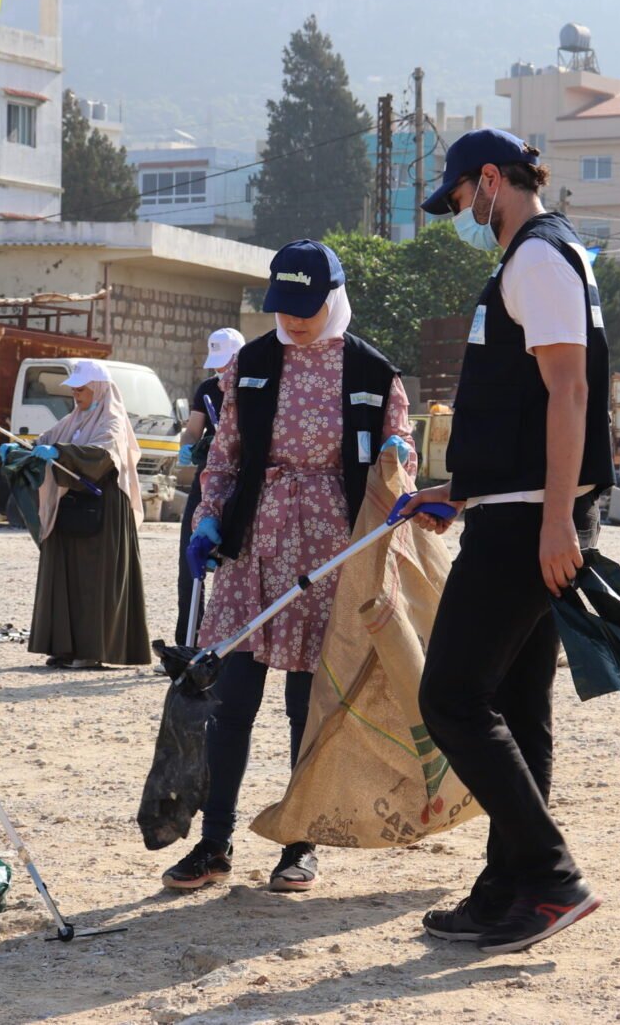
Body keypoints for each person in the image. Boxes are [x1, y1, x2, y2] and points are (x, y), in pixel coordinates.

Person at [403, 129, 615, 954]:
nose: (460, 212)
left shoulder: (536, 257)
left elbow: (569, 392)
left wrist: (556, 518)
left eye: (459, 197)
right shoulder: (547, 255)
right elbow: (526, 407)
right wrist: (461, 489)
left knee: (450, 699)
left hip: (532, 522)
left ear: (489, 179)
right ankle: (506, 891)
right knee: (517, 709)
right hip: (518, 506)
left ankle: (552, 878)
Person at [164, 239, 415, 894]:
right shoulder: (250, 364)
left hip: (328, 549)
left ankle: (299, 844)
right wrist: (208, 517)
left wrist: (397, 460)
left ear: (332, 298)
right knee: (231, 700)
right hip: (254, 544)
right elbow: (223, 456)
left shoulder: (370, 372)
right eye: (283, 306)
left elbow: (401, 458)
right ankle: (212, 844)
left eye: (307, 306)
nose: (295, 319)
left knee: (309, 705)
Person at [8, 359, 150, 670]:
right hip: (73, 508)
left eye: (82, 389)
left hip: (105, 511)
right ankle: (65, 648)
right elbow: (45, 443)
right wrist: (20, 451)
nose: (76, 394)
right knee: (65, 573)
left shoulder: (111, 420)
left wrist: (64, 453)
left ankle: (93, 650)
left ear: (99, 389)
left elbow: (103, 455)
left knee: (94, 579)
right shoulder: (74, 419)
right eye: (73, 389)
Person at [173, 327, 245, 649]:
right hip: (207, 480)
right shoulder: (206, 388)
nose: (220, 370)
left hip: (243, 480)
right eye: (216, 362)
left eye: (225, 362)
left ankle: (233, 643)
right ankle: (189, 642)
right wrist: (187, 446)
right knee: (190, 558)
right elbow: (192, 430)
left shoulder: (253, 387)